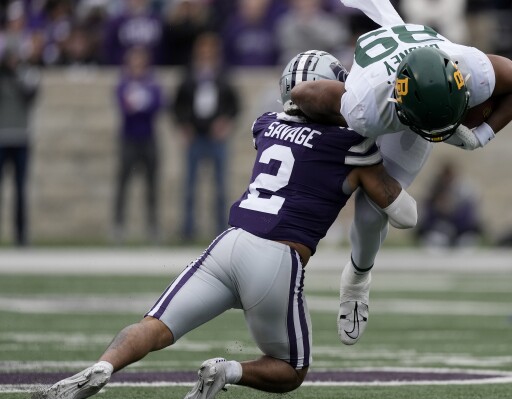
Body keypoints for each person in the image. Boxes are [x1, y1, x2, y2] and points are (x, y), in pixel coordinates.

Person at [40, 50, 417, 399]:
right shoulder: (352, 148)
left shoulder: (266, 126)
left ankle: (102, 366)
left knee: (154, 326)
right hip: (277, 258)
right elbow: (404, 215)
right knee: (291, 370)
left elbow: (300, 133)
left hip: (229, 244)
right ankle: (228, 370)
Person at [290, 0, 512, 345]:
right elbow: (304, 93)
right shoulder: (363, 105)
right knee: (365, 199)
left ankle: (358, 276)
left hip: (417, 94)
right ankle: (355, 283)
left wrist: (480, 137)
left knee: (373, 211)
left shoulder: (472, 68)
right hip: (379, 101)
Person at [172, 32, 240, 241]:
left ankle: (220, 229)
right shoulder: (189, 77)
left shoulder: (223, 77)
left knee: (220, 186)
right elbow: (177, 105)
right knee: (190, 187)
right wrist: (184, 126)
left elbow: (234, 105)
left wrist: (225, 122)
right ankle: (188, 230)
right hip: (196, 137)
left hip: (216, 138)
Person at [113, 46, 163, 244]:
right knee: (123, 182)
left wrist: (139, 106)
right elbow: (124, 107)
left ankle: (152, 227)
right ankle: (118, 226)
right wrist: (141, 105)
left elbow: (157, 105)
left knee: (151, 184)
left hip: (148, 138)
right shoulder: (123, 83)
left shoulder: (152, 84)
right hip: (129, 139)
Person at [0, 47, 40, 247]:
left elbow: (31, 96)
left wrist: (15, 76)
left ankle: (21, 235)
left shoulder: (27, 74)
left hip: (21, 138)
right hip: (1, 137)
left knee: (20, 189)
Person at [415, 161, 484, 249]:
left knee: (466, 243)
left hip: (461, 231)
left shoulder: (465, 191)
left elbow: (470, 218)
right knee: (434, 241)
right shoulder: (434, 190)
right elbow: (427, 217)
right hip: (439, 230)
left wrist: (452, 208)